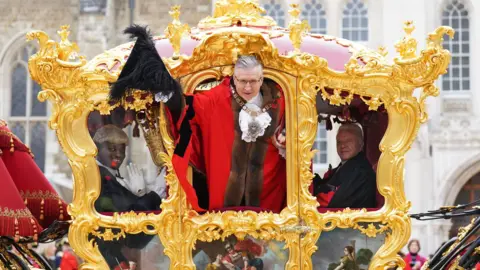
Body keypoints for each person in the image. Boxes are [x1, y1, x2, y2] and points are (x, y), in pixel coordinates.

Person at [109, 25, 287, 213]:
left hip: (269, 196)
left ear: (261, 79)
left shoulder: (280, 101)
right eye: (243, 81)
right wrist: (170, 93)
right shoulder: (216, 99)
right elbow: (188, 110)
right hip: (224, 198)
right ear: (234, 77)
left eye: (253, 81)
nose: (248, 87)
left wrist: (285, 139)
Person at [92, 124, 166, 269]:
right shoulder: (100, 179)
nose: (118, 155)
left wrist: (138, 195)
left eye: (122, 150)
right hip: (112, 256)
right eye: (112, 149)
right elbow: (128, 225)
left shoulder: (108, 177)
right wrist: (154, 195)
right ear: (97, 149)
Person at [313, 123, 377, 208]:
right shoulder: (346, 166)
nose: (342, 145)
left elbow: (331, 202)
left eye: (348, 141)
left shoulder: (360, 171)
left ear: (360, 144)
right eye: (339, 142)